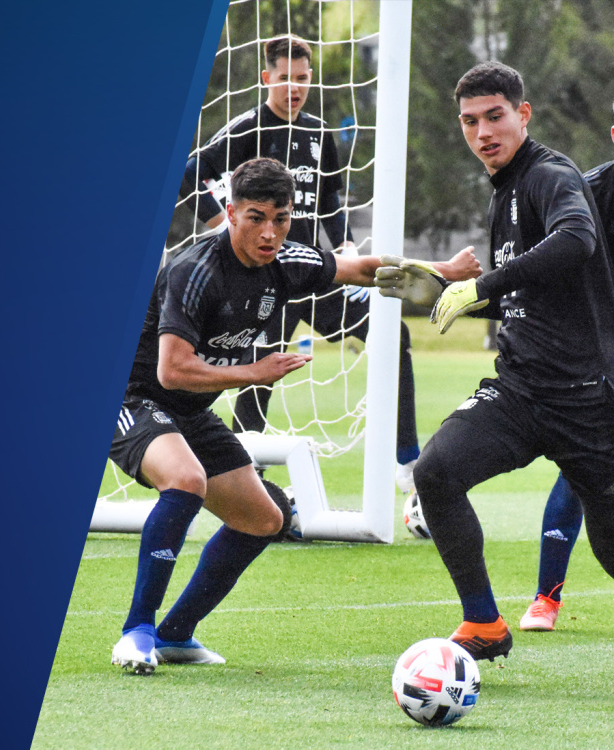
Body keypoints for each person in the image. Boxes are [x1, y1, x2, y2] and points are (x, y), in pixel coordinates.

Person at [110, 157, 414, 674]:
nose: (270, 233)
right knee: (185, 480)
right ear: (230, 213)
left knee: (264, 519)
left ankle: (175, 635)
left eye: (281, 219)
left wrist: (445, 272)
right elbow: (172, 370)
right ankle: (136, 632)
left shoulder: (286, 258)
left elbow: (362, 269)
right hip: (132, 398)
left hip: (189, 410)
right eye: (256, 218)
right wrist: (254, 372)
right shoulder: (195, 270)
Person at [377, 62, 614, 662]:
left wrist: (481, 286)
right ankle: (483, 623)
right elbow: (527, 295)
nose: (482, 132)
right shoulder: (504, 190)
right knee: (436, 473)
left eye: (494, 116)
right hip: (519, 392)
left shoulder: (550, 175)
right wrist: (442, 293)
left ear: (523, 114)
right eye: (469, 121)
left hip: (587, 400)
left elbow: (576, 239)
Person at [180, 35, 480, 491]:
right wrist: (224, 226)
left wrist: (345, 244)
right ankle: (247, 477)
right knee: (259, 375)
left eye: (303, 78)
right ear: (266, 78)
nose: (295, 88)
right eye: (285, 78)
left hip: (311, 272)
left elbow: (331, 201)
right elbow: (188, 175)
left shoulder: (319, 133)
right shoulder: (247, 129)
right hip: (263, 280)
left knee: (391, 334)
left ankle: (406, 462)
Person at [518, 102, 614, 632]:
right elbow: (549, 264)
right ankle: (546, 597)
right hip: (598, 353)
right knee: (581, 469)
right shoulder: (589, 193)